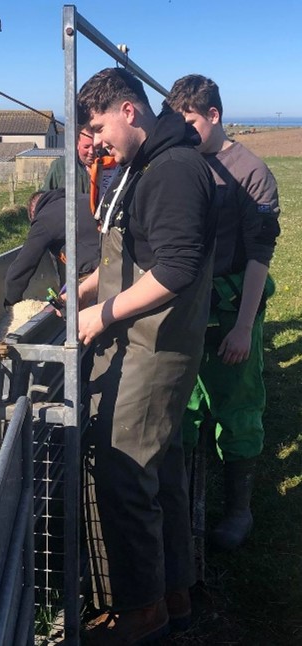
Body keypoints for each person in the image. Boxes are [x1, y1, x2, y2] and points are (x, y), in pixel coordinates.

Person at [73, 67, 217, 645]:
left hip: (155, 348)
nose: (97, 140)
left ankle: (142, 614)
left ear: (129, 111)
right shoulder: (144, 165)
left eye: (100, 126)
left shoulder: (174, 170)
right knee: (159, 474)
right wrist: (78, 293)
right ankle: (175, 596)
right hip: (140, 338)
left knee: (124, 473)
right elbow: (131, 254)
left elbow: (176, 268)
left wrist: (99, 316)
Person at [165, 75, 281, 550]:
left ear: (213, 115)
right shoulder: (182, 164)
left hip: (233, 306)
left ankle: (239, 510)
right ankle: (187, 500)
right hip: (188, 309)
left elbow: (259, 255)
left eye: (190, 122)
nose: (185, 133)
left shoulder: (252, 173)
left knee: (237, 404)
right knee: (186, 406)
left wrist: (243, 326)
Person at [4, 188, 100, 306]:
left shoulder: (44, 219)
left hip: (97, 272)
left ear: (33, 213)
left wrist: (11, 302)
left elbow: (24, 264)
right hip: (117, 258)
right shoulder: (81, 198)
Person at [41, 125, 97, 192]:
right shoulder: (60, 167)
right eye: (86, 147)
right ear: (77, 145)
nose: (91, 151)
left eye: (96, 147)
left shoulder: (109, 166)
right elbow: (45, 197)